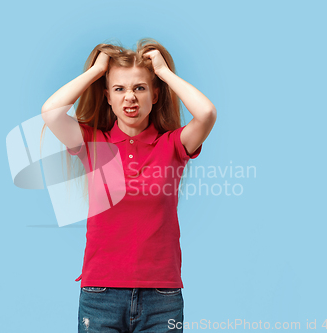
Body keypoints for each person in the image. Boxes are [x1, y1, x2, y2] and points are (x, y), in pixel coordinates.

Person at [41, 38, 217, 333]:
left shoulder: (173, 144)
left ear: (155, 94)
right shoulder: (92, 142)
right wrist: (98, 70)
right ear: (107, 96)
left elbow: (207, 114)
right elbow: (51, 111)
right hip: (100, 295)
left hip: (162, 297)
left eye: (140, 88)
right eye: (119, 89)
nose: (130, 98)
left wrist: (164, 72)